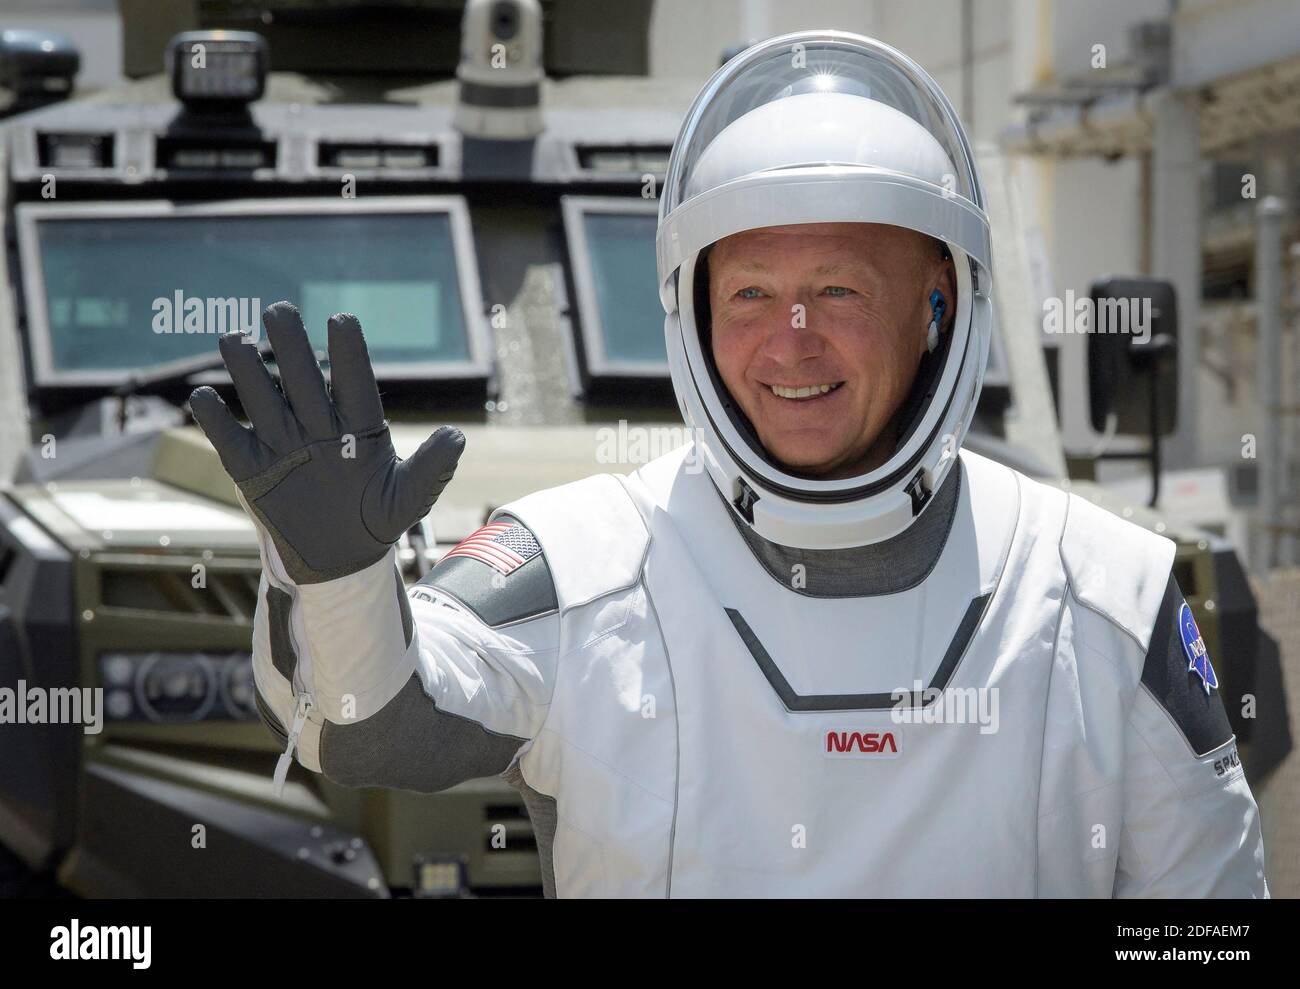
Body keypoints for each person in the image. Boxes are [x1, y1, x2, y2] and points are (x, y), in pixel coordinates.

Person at [190, 30, 1267, 898]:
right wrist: (331, 579)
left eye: (839, 288)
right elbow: (359, 725)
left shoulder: (1108, 591)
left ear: (941, 300)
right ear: (692, 313)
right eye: (749, 292)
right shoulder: (578, 561)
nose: (789, 339)